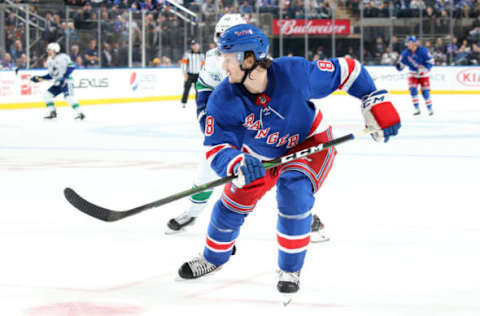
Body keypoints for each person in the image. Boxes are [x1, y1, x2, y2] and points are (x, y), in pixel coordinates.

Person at [177, 24, 401, 297]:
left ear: (249, 59)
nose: (223, 65)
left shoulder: (295, 73)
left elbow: (348, 70)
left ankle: (289, 268)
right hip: (259, 157)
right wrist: (235, 163)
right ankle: (214, 258)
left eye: (228, 57)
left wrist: (373, 99)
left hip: (309, 144)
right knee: (231, 206)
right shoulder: (224, 97)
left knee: (293, 189)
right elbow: (216, 146)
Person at [167, 15, 329, 243]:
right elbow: (203, 90)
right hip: (232, 127)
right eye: (223, 35)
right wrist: (207, 121)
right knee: (208, 168)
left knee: (282, 173)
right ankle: (192, 213)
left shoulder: (259, 59)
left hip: (260, 129)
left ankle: (305, 218)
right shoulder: (213, 61)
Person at [30, 42, 85, 120]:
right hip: (58, 82)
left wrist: (64, 78)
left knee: (68, 97)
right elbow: (51, 75)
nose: (47, 51)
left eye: (49, 50)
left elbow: (72, 66)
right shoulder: (49, 60)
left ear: (54, 50)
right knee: (47, 95)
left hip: (67, 81)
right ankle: (53, 113)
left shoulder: (63, 57)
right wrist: (40, 78)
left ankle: (81, 113)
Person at [395, 36, 434, 116]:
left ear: (415, 43)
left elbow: (431, 62)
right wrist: (398, 66)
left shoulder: (423, 51)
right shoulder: (405, 53)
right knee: (413, 90)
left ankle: (429, 108)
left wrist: (425, 69)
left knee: (425, 92)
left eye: (410, 43)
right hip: (413, 74)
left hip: (424, 74)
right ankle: (417, 108)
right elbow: (401, 65)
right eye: (408, 43)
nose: (409, 45)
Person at [180, 40, 204, 108]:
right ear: (192, 46)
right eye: (193, 45)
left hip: (198, 75)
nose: (195, 46)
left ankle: (198, 103)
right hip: (189, 74)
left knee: (198, 90)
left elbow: (203, 65)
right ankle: (184, 102)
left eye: (196, 45)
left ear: (198, 46)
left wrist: (203, 74)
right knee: (186, 88)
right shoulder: (187, 54)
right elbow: (184, 64)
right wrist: (184, 73)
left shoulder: (202, 55)